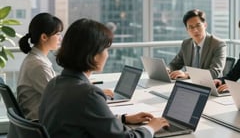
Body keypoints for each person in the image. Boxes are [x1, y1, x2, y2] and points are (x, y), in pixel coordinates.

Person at [39, 18, 169, 138]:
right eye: (106, 50)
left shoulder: (54, 84)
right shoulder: (88, 94)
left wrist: (122, 119)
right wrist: (151, 127)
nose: (107, 55)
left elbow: (79, 119)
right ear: (93, 55)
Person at [17, 13, 64, 120]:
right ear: (44, 37)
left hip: (41, 119)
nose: (60, 38)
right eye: (57, 34)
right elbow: (58, 97)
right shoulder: (38, 65)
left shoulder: (35, 59)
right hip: (41, 123)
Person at [168, 9, 226, 79]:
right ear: (187, 29)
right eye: (191, 27)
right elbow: (174, 64)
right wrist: (168, 69)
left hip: (210, 85)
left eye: (198, 25)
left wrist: (187, 74)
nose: (195, 30)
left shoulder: (218, 44)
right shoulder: (186, 44)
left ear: (205, 25)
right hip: (190, 84)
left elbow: (214, 72)